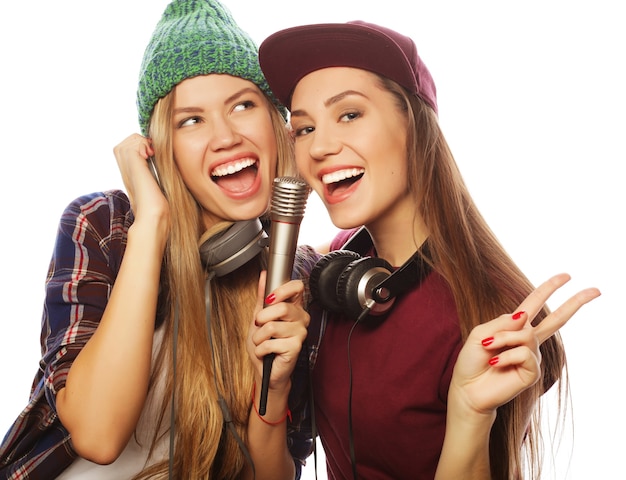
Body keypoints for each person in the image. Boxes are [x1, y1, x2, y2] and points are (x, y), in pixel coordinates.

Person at [259, 21, 601, 479]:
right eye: (303, 129)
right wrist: (275, 385)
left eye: (350, 114)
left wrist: (469, 414)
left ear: (415, 123)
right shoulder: (340, 268)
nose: (319, 147)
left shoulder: (490, 315)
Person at [0, 1, 317, 479]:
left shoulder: (297, 276)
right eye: (191, 120)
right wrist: (151, 222)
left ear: (276, 124)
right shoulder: (103, 224)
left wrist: (270, 386)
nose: (226, 136)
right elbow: (98, 435)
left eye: (243, 105)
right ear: (158, 146)